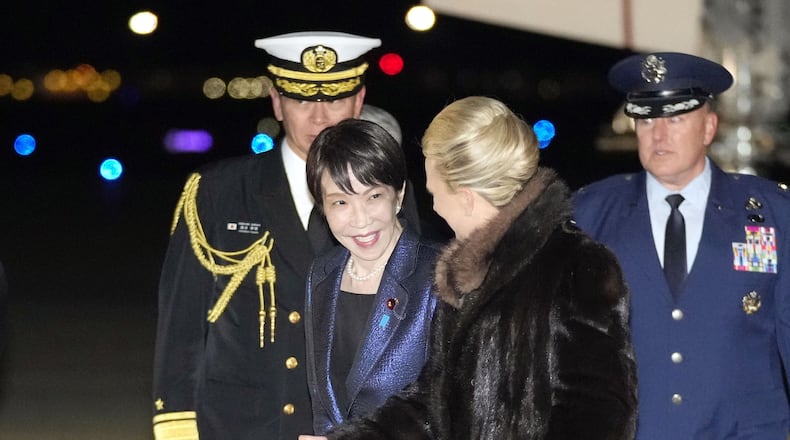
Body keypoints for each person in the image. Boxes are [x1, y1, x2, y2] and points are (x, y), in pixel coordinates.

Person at [315, 96, 638, 439]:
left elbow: (598, 418)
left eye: (434, 191)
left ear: (465, 196)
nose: (434, 206)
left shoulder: (577, 267)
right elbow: (432, 403)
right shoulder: (467, 277)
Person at [152, 31, 418, 440]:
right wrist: (177, 427)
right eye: (301, 100)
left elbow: (409, 323)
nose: (319, 117)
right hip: (240, 426)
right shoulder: (218, 190)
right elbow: (182, 325)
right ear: (277, 102)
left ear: (359, 101)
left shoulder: (387, 193)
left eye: (334, 100)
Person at [573, 52, 790, 438]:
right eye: (647, 120)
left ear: (708, 128)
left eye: (675, 119)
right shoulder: (590, 214)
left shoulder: (773, 213)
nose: (659, 135)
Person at [301, 118, 439, 436]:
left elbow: (451, 410)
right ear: (322, 207)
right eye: (340, 202)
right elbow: (323, 406)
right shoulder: (322, 274)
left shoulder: (439, 274)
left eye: (373, 196)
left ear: (399, 194)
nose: (360, 220)